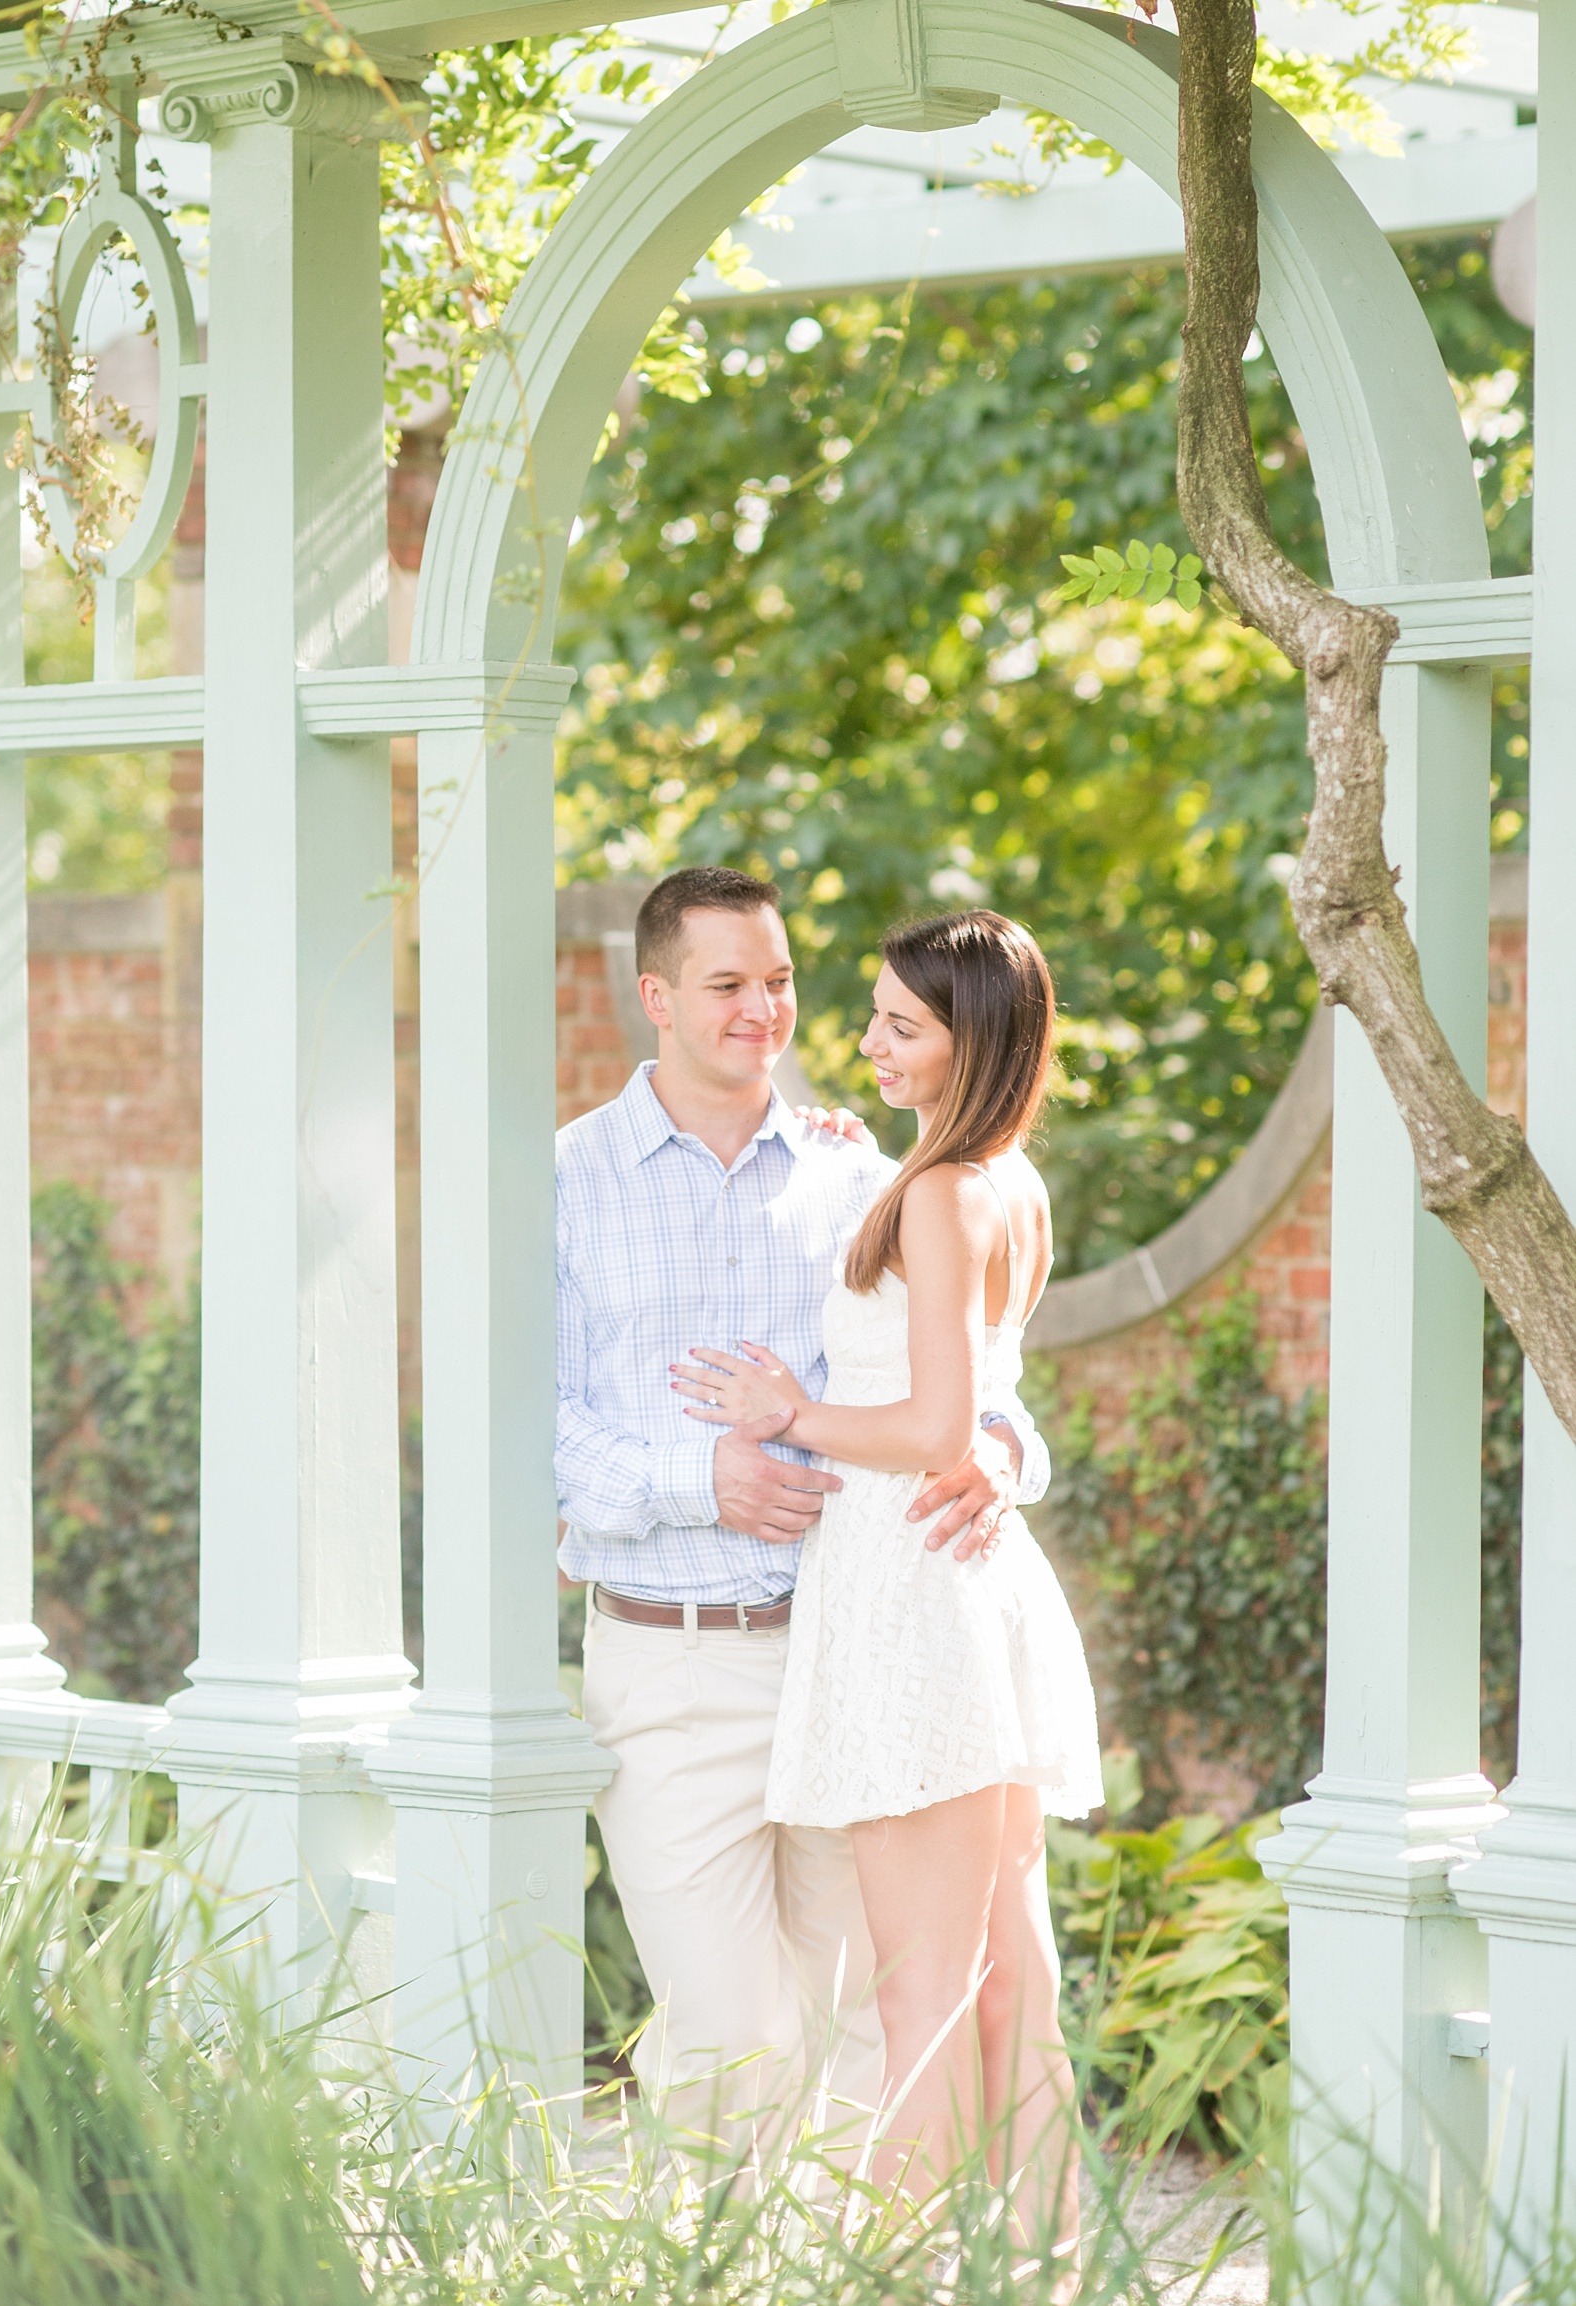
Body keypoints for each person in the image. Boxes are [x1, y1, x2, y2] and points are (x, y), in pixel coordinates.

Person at [557, 868, 1054, 2130]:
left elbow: (972, 1385)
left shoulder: (860, 1175)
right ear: (655, 994)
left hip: (845, 1650)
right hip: (669, 1665)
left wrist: (998, 1456)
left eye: (777, 981)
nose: (762, 1010)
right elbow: (530, 1422)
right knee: (731, 2035)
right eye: (726, 984)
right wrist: (695, 1478)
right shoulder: (568, 1177)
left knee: (864, 2026)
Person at [671, 911, 1102, 2240]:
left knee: (920, 1992)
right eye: (871, 1015)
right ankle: (1043, 2263)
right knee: (1006, 1978)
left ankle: (894, 2272)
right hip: (970, 1587)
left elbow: (930, 1427)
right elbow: (981, 1410)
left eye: (902, 1025)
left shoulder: (936, 1193)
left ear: (974, 1039)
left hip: (914, 1593)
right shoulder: (996, 1183)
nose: (867, 1042)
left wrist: (787, 1410)